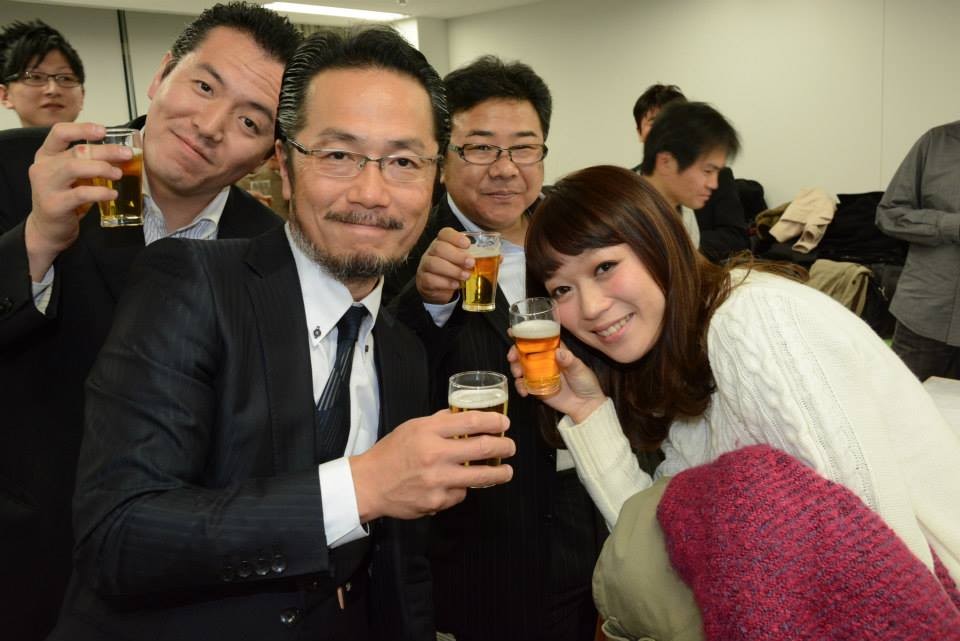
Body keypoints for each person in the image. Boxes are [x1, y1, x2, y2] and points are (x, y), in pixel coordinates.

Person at [48, 26, 515, 641]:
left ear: (434, 182)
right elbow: (118, 536)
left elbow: (403, 569)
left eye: (404, 162)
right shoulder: (192, 283)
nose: (371, 193)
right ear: (285, 168)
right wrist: (363, 486)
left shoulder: (401, 347)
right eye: (338, 155)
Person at [509, 165, 960, 588]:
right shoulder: (684, 365)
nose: (590, 308)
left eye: (604, 267)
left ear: (658, 243)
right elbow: (652, 542)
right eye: (562, 289)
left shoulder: (749, 322)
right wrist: (587, 409)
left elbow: (878, 554)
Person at [0, 4, 300, 639]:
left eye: (249, 120)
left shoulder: (270, 250)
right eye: (204, 86)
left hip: (176, 586)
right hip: (24, 559)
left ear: (270, 152)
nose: (210, 127)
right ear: (163, 74)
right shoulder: (24, 168)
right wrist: (36, 239)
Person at [389, 56, 610, 641]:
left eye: (524, 148)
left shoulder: (575, 236)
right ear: (443, 157)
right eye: (481, 147)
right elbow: (386, 384)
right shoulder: (402, 247)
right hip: (482, 537)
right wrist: (428, 303)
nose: (506, 169)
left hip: (588, 511)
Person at [876, 120, 960, 381]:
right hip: (924, 318)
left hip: (927, 312)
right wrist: (950, 225)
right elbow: (888, 214)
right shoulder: (936, 142)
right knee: (901, 403)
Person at [633, 86, 750, 261]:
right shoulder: (622, 193)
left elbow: (733, 238)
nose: (712, 183)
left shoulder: (685, 211)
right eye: (655, 122)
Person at [0, 20, 85, 127]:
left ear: (82, 96)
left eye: (66, 78)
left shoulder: (102, 136)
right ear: (5, 96)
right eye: (35, 77)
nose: (53, 90)